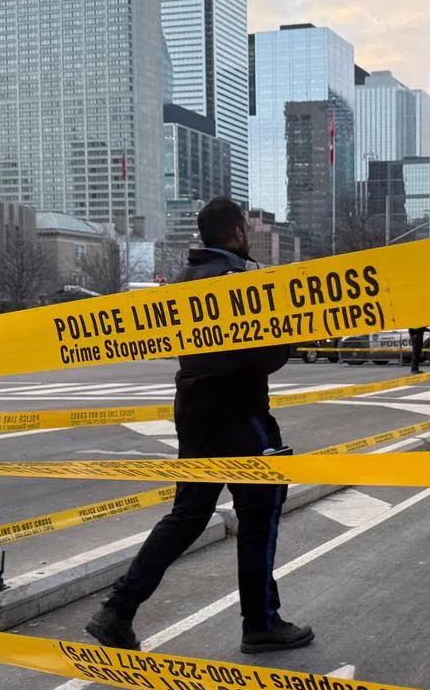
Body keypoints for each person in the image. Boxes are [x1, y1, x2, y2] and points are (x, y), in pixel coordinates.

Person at [87, 198, 313, 655]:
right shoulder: (241, 282)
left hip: (194, 410)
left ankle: (117, 610)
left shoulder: (183, 283)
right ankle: (261, 623)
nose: (248, 234)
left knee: (187, 517)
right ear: (235, 233)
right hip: (241, 412)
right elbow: (264, 355)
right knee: (259, 515)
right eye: (245, 227)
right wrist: (293, 337)